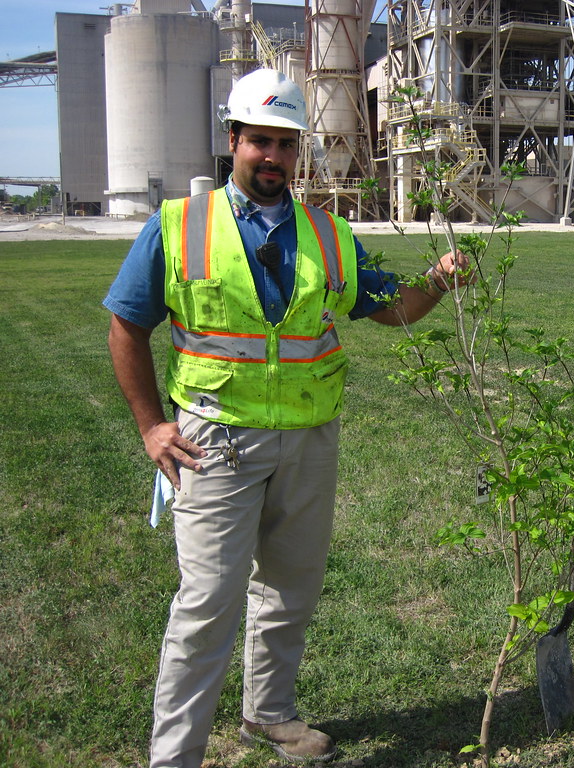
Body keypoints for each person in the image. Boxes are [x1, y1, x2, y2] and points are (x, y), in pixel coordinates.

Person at [104, 69, 468, 768]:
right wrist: (154, 426)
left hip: (308, 440)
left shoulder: (327, 235)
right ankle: (173, 756)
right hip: (214, 443)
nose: (272, 157)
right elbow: (126, 324)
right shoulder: (179, 227)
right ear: (233, 141)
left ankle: (269, 715)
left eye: (286, 144)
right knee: (207, 602)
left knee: (289, 588)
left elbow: (389, 306)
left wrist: (441, 280)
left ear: (299, 151)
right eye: (259, 142)